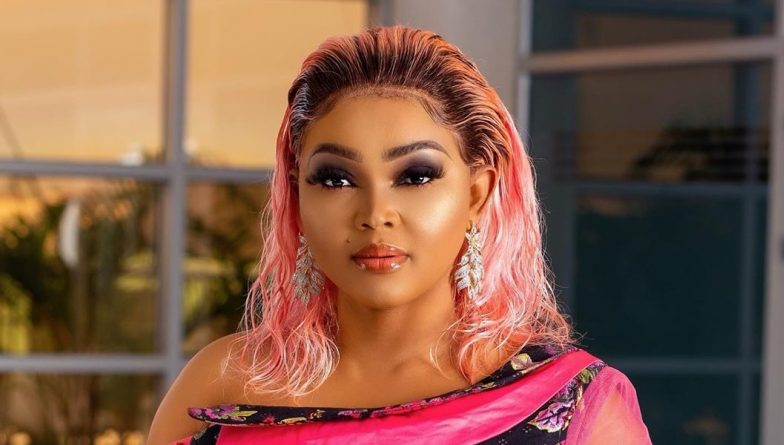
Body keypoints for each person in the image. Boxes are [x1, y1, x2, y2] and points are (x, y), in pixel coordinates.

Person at [147, 25, 652, 445]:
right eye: (336, 179)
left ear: (477, 194)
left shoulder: (576, 406)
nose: (375, 214)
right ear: (298, 198)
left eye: (415, 176)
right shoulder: (221, 384)